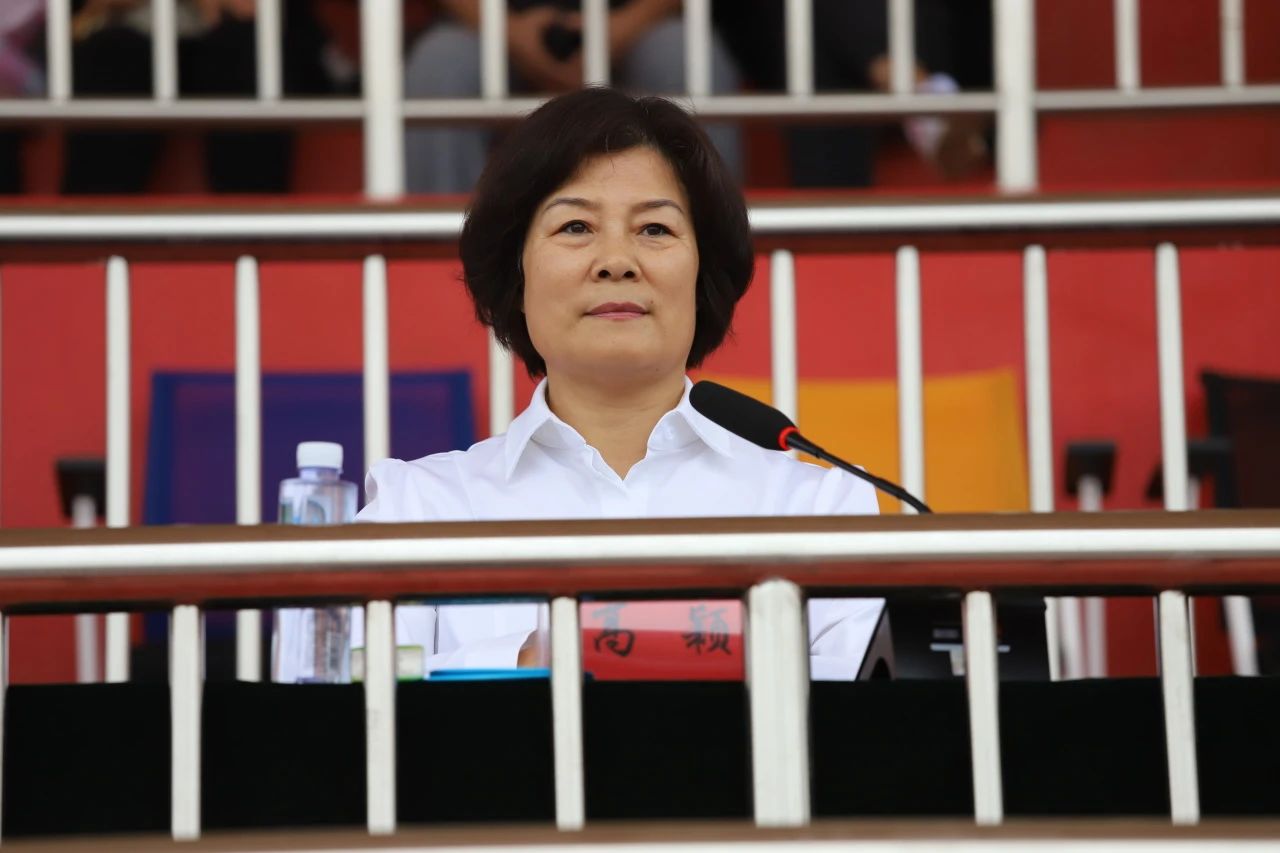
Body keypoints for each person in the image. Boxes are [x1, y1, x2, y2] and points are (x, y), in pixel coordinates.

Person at [355, 86, 882, 681]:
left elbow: (867, 718)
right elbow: (343, 701)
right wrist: (527, 661)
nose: (616, 260)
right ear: (517, 275)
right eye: (576, 226)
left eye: (655, 229)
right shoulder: (417, 510)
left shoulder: (818, 510)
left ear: (702, 274)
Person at [403, 0, 743, 193]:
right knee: (440, 64)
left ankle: (709, 250)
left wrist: (620, 28)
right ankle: (442, 261)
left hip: (639, 24)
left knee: (686, 54)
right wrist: (509, 33)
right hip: (486, 25)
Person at [62, 0, 333, 194]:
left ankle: (251, 231)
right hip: (132, 39)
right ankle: (91, 232)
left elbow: (252, 10)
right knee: (114, 54)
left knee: (246, 52)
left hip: (237, 39)